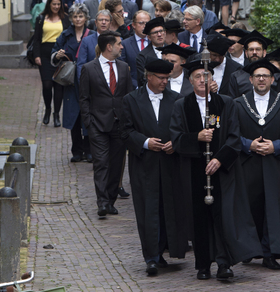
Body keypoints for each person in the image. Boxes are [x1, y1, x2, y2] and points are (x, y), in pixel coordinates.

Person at [170, 60, 262, 280]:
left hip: (222, 172)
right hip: (194, 170)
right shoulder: (182, 106)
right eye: (198, 77)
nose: (203, 80)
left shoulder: (226, 103)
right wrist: (197, 138)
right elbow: (176, 138)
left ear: (213, 79)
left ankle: (224, 263)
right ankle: (203, 265)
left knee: (223, 218)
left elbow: (234, 136)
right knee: (199, 219)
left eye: (207, 76)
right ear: (190, 81)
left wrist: (220, 159)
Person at [235, 58, 280, 268]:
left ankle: (269, 253)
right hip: (249, 163)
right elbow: (231, 133)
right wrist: (249, 145)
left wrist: (275, 146)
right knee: (251, 206)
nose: (261, 79)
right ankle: (250, 249)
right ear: (250, 79)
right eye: (257, 76)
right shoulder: (239, 103)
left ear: (272, 79)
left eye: (265, 76)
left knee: (272, 208)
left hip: (275, 163)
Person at [121, 59, 187, 276]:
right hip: (145, 165)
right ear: (148, 77)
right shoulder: (131, 100)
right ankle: (150, 257)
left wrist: (174, 143)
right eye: (160, 78)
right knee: (147, 210)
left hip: (169, 164)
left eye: (167, 78)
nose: (164, 82)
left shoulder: (176, 99)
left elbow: (181, 130)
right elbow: (125, 131)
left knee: (167, 208)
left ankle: (163, 252)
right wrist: (145, 142)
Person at [79, 31, 134, 217]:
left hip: (119, 125)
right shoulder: (89, 68)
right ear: (109, 46)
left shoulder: (124, 67)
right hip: (98, 125)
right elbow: (84, 98)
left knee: (116, 165)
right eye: (119, 43)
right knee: (101, 163)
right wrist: (89, 122)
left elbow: (128, 96)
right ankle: (101, 202)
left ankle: (110, 200)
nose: (122, 46)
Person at [52, 4, 95, 162]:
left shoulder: (92, 35)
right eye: (75, 16)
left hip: (88, 80)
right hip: (71, 83)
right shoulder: (65, 35)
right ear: (71, 18)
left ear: (86, 18)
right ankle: (76, 151)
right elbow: (54, 52)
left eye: (81, 16)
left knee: (88, 114)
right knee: (74, 116)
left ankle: (89, 150)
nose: (78, 19)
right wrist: (58, 55)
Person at [32, 0, 70, 126]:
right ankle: (48, 109)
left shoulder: (65, 18)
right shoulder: (41, 18)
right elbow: (36, 38)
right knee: (47, 85)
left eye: (58, 4)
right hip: (44, 54)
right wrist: (37, 56)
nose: (56, 6)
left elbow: (68, 37)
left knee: (58, 86)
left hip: (59, 54)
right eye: (54, 4)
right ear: (49, 4)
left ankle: (56, 115)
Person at [228, 30, 280, 98]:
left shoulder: (278, 76)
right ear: (246, 53)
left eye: (258, 49)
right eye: (251, 50)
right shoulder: (236, 77)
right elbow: (233, 104)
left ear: (264, 52)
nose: (254, 52)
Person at [205, 32, 244, 97]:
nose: (217, 59)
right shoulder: (200, 64)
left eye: (221, 56)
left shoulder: (236, 68)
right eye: (214, 55)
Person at [121, 10, 151, 89]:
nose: (145, 26)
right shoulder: (125, 44)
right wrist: (136, 85)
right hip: (133, 88)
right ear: (133, 25)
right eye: (141, 23)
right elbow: (123, 70)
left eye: (147, 23)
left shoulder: (154, 42)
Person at [135, 17, 166, 87]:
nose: (159, 35)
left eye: (161, 31)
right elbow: (142, 80)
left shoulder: (173, 50)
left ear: (165, 32)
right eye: (155, 32)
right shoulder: (142, 56)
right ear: (149, 37)